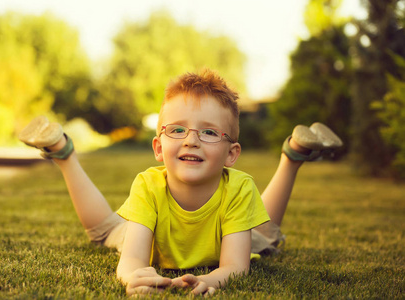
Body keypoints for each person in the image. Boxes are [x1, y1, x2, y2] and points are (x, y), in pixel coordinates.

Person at [18, 69, 342, 296]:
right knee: (106, 230)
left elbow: (235, 265)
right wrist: (132, 276)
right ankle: (62, 151)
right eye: (177, 130)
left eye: (209, 132)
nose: (191, 141)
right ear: (158, 148)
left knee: (264, 235)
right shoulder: (148, 185)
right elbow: (131, 260)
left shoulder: (239, 187)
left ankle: (293, 154)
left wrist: (214, 279)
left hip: (228, 237)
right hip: (151, 231)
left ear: (231, 155)